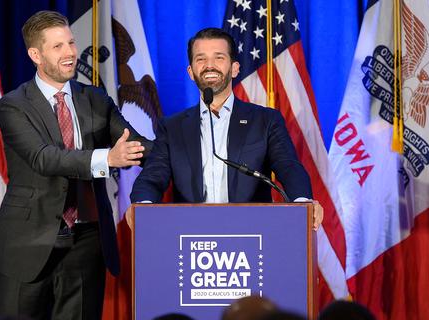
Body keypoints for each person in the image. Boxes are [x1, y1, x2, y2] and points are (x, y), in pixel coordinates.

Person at [0, 10, 150, 320]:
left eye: (71, 43)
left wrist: (192, 143)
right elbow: (44, 158)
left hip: (85, 239)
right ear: (36, 54)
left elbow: (137, 145)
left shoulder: (96, 100)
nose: (70, 52)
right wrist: (107, 158)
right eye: (58, 46)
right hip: (26, 240)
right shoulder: (13, 105)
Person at [130, 27, 323, 230]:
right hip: (190, 238)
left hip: (252, 234)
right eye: (201, 59)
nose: (209, 66)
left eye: (219, 58)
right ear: (191, 72)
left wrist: (303, 201)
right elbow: (152, 177)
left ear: (234, 68)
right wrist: (142, 207)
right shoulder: (171, 127)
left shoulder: (265, 120)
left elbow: (289, 167)